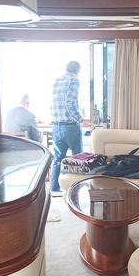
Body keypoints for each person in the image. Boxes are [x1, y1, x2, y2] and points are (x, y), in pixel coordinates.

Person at [49, 61, 88, 195]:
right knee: (78, 158)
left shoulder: (56, 81)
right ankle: (76, 188)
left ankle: (54, 188)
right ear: (78, 70)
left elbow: (52, 104)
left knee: (58, 159)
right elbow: (70, 103)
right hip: (70, 127)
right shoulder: (74, 81)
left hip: (56, 126)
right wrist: (81, 119)